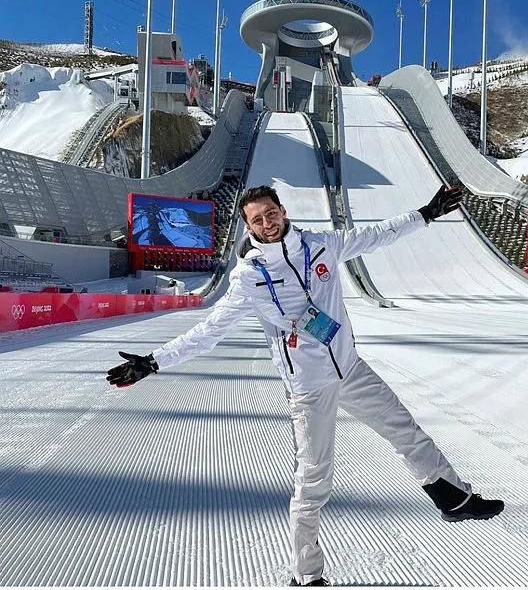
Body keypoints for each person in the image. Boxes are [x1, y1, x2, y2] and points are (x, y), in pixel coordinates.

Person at [107, 185, 504, 587]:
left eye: (271, 213)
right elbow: (209, 331)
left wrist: (425, 214)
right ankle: (307, 575)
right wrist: (154, 361)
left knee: (407, 431)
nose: (267, 223)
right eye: (257, 219)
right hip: (309, 386)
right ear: (248, 227)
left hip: (349, 367)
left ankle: (453, 498)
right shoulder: (248, 277)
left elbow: (375, 234)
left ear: (282, 210)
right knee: (313, 481)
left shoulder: (320, 246)